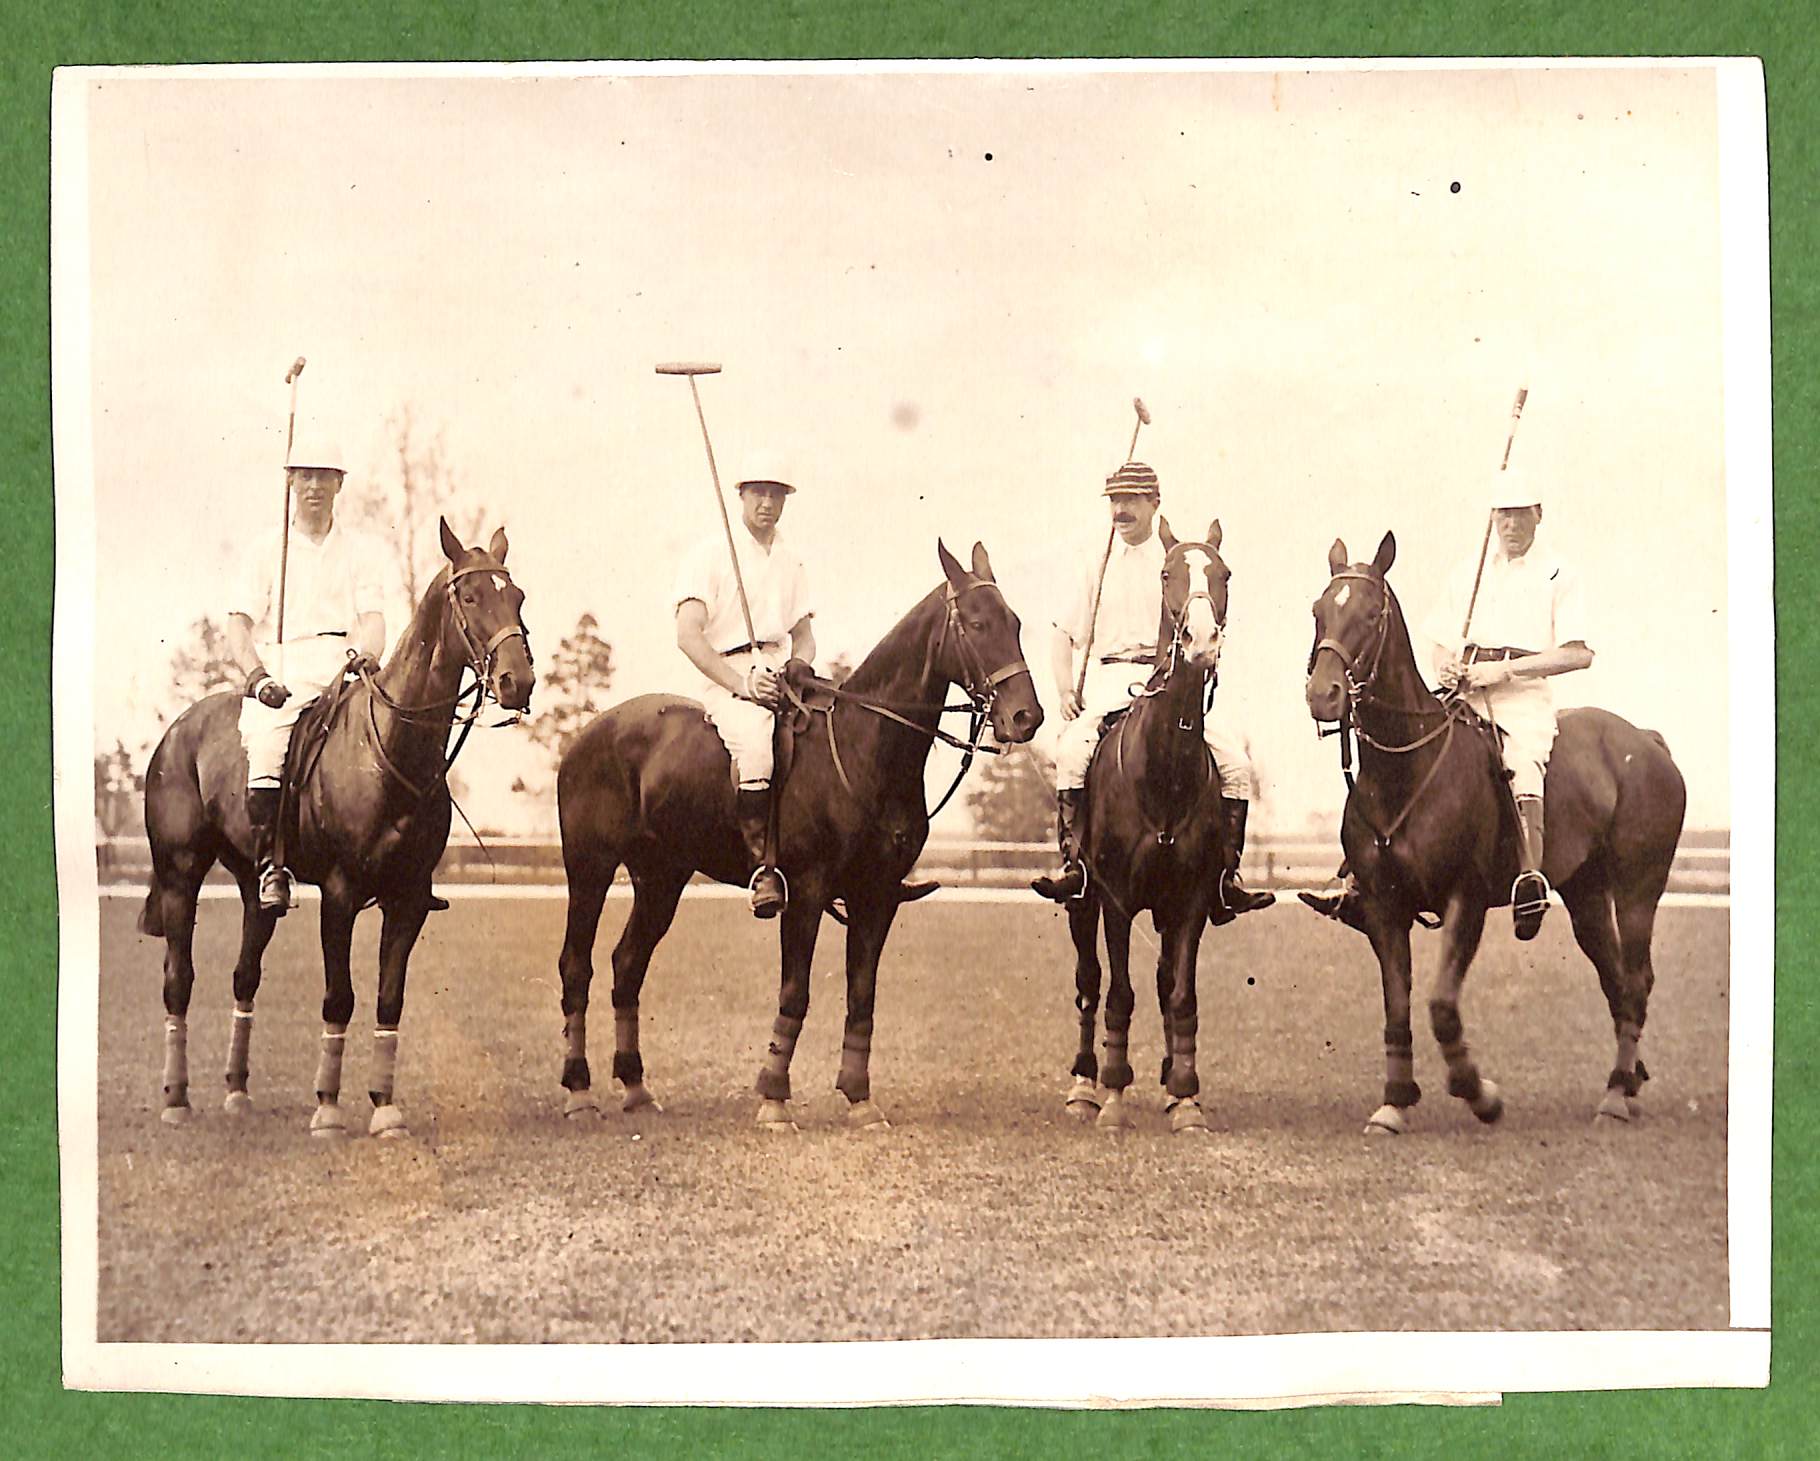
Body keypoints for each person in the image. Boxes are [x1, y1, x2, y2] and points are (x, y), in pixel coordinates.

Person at [1299, 468, 1592, 939]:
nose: (1510, 526)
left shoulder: (1560, 573)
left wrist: (1505, 670)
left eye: (1519, 514)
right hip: (1467, 689)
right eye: (1503, 516)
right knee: (1408, 751)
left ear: (1538, 514)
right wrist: (1448, 667)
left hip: (1522, 699)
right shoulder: (1471, 570)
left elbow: (1579, 653)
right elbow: (1438, 639)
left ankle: (1529, 880)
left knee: (1522, 763)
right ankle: (1358, 874)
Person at [1030, 460, 1274, 919]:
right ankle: (1076, 865)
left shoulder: (1177, 563)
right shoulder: (1095, 566)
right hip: (1109, 680)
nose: (1121, 510)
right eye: (1115, 501)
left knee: (1235, 764)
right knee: (1073, 753)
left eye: (1131, 501)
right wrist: (1065, 689)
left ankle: (1225, 877)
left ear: (1154, 505)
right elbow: (1062, 635)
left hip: (1169, 681)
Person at [227, 435, 388, 914]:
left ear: (340, 484)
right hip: (283, 666)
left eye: (324, 476)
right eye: (305, 475)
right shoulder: (264, 550)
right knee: (268, 747)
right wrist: (256, 676)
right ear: (291, 482)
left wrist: (365, 653)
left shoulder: (360, 550)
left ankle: (398, 864)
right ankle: (271, 866)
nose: (314, 486)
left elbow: (375, 618)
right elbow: (239, 624)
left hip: (341, 663)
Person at [673, 450, 815, 918]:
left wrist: (797, 667)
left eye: (776, 495)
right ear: (740, 496)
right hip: (729, 677)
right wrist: (741, 684)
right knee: (756, 744)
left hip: (781, 674)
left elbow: (805, 638)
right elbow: (688, 636)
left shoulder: (792, 560)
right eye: (758, 493)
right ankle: (761, 869)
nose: (767, 504)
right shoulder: (710, 555)